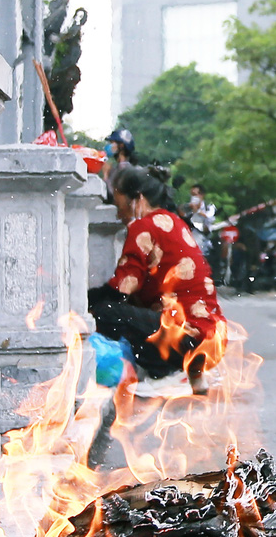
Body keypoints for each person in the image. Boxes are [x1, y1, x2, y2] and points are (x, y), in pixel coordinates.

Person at [90, 164, 225, 388]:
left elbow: (122, 287)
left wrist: (81, 304)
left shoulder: (144, 226)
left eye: (118, 199)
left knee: (105, 313)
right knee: (135, 307)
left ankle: (163, 370)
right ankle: (188, 370)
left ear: (137, 198)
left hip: (186, 336)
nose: (117, 209)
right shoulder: (173, 221)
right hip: (211, 337)